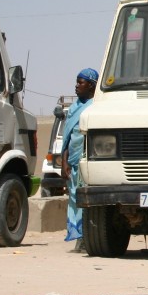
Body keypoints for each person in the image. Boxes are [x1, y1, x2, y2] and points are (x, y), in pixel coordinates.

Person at [61, 68, 98, 251]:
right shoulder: (74, 108)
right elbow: (67, 138)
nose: (76, 86)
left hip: (87, 162)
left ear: (91, 85)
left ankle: (86, 238)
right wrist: (64, 162)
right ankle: (77, 236)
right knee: (74, 200)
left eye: (80, 82)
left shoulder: (95, 106)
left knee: (85, 200)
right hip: (73, 162)